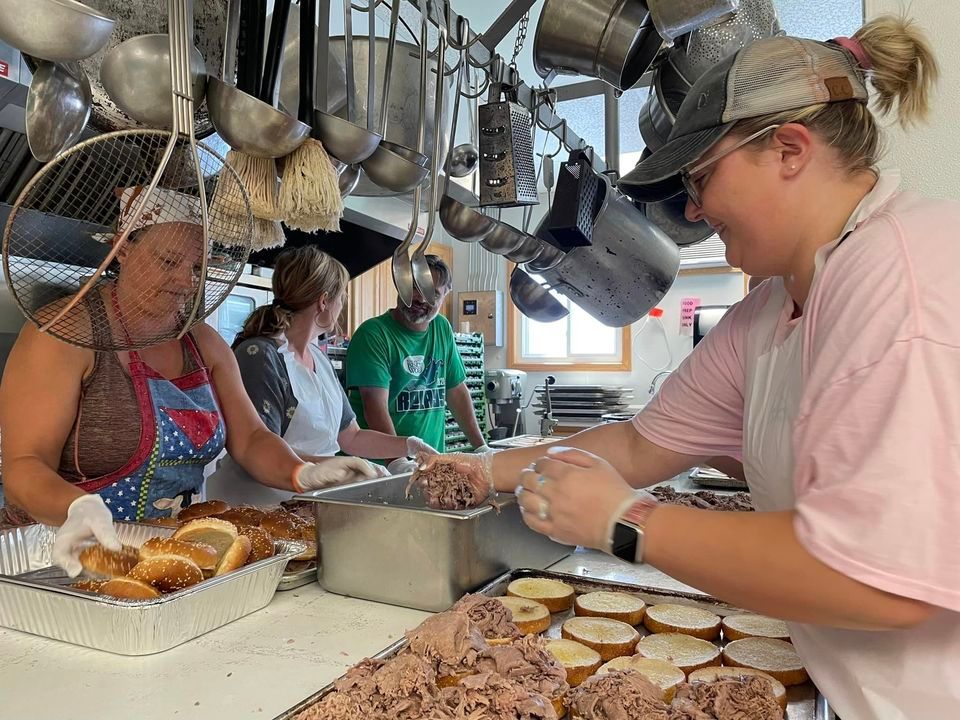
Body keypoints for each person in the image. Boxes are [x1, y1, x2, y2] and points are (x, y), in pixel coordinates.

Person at [421, 17, 959, 719]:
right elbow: (642, 444)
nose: (697, 207)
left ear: (789, 151)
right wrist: (484, 471)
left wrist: (628, 522)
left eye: (703, 176)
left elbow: (879, 579)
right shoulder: (770, 310)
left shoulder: (901, 287)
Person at [0, 188, 377, 575]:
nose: (186, 281)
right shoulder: (65, 334)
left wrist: (300, 472)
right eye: (168, 261)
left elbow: (250, 438)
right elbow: (24, 464)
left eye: (198, 267)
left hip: (162, 560)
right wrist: (77, 508)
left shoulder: (205, 345)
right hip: (56, 558)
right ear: (122, 249)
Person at [206, 245, 438, 504]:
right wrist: (326, 469)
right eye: (342, 297)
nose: (342, 306)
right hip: (257, 505)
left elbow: (351, 437)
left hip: (305, 503)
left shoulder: (319, 359)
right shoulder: (261, 356)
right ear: (324, 301)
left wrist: (407, 445)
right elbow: (255, 444)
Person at [345, 254, 487, 462]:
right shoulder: (373, 334)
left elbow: (455, 391)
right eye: (414, 288)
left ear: (445, 295)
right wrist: (397, 462)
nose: (420, 298)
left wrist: (481, 448)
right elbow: (374, 405)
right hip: (379, 468)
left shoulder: (442, 328)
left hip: (431, 463)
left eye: (432, 293)